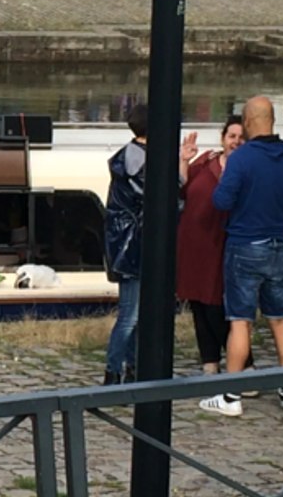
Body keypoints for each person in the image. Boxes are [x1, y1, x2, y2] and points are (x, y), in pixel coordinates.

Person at [200, 95, 283, 417]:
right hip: (279, 246)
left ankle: (231, 397)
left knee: (240, 320)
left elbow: (221, 201)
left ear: (247, 122)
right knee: (280, 318)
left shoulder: (243, 158)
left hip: (245, 244)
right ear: (272, 120)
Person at [177, 115, 244, 375]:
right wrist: (185, 159)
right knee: (198, 304)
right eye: (232, 136)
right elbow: (181, 188)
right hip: (194, 243)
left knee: (218, 304)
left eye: (241, 138)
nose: (236, 142)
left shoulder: (246, 169)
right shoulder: (205, 163)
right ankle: (209, 363)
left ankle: (241, 362)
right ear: (223, 138)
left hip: (224, 243)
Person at [102, 105, 150, 385]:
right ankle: (114, 370)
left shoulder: (127, 158)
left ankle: (131, 368)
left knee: (136, 315)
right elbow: (170, 194)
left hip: (125, 246)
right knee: (130, 316)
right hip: (133, 248)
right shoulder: (142, 166)